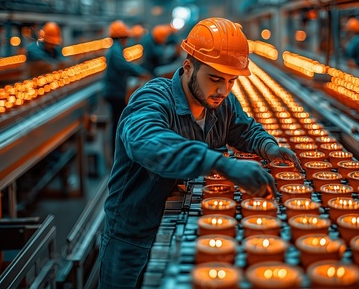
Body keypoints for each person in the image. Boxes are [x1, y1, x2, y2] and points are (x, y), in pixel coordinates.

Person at [98, 17, 302, 288]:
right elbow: (148, 142)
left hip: (183, 226)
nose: (222, 90)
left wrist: (268, 146)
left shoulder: (223, 103)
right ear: (188, 67)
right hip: (133, 233)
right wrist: (221, 164)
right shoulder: (153, 100)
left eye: (231, 81)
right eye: (214, 79)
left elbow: (244, 129)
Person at [103, 20, 152, 154]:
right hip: (115, 92)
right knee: (118, 123)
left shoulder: (115, 48)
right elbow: (123, 65)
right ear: (122, 37)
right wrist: (141, 72)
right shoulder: (115, 49)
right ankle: (117, 153)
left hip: (115, 91)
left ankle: (117, 151)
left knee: (117, 121)